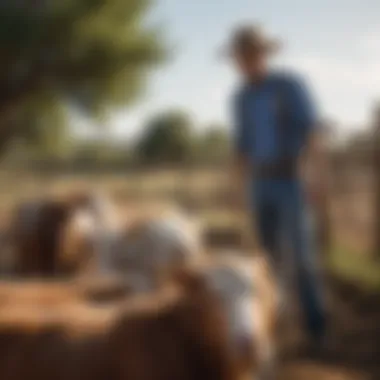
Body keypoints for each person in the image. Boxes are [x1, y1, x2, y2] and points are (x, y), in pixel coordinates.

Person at [223, 23, 328, 348]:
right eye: (241, 57)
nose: (246, 62)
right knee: (265, 260)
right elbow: (242, 146)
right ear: (236, 60)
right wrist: (238, 189)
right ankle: (271, 325)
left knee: (301, 259)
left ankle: (316, 329)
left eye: (252, 55)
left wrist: (315, 174)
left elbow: (313, 131)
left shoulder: (288, 85)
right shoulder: (240, 97)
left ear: (263, 55)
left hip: (291, 180)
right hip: (259, 182)